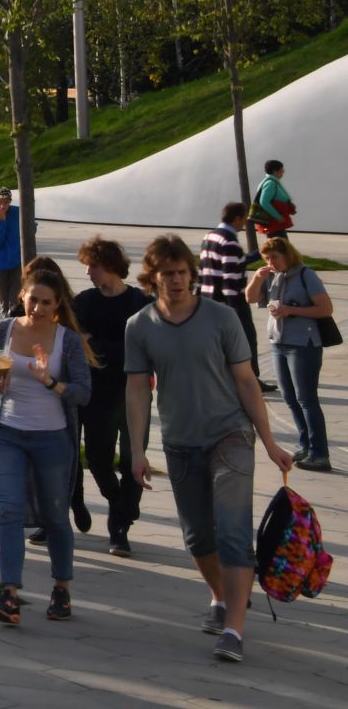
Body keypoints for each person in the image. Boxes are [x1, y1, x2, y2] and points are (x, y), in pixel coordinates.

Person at [124, 234, 293, 663]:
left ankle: (234, 629)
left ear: (192, 274)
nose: (177, 280)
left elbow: (246, 381)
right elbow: (138, 389)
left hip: (231, 436)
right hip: (180, 443)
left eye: (182, 272)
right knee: (198, 536)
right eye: (168, 274)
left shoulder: (220, 318)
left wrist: (270, 442)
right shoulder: (140, 326)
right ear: (153, 278)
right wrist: (138, 451)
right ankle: (220, 596)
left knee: (234, 533)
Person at [0, 270, 95, 626]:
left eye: (47, 302)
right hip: (7, 433)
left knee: (56, 515)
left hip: (52, 438)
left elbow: (83, 393)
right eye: (33, 299)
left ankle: (61, 586)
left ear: (58, 305)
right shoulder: (3, 330)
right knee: (9, 510)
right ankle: (9, 593)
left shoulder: (66, 341)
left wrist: (51, 383)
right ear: (22, 297)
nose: (38, 307)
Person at [71, 236, 148, 556]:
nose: (88, 272)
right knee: (99, 460)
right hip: (97, 395)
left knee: (133, 461)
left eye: (94, 266)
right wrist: (103, 349)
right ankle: (120, 505)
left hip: (133, 393)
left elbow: (142, 350)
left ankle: (119, 528)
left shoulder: (139, 303)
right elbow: (78, 345)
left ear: (113, 267)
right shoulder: (85, 302)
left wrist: (99, 347)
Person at [246, 236, 332, 473]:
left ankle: (320, 453)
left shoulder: (306, 275)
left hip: (303, 343)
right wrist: (256, 278)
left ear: (287, 255)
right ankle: (306, 445)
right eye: (266, 258)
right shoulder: (271, 276)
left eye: (274, 257)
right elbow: (250, 298)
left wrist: (291, 310)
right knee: (289, 397)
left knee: (306, 398)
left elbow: (326, 308)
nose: (270, 262)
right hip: (279, 342)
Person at [200, 202, 263, 385]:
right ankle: (251, 379)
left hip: (208, 297)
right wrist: (235, 309)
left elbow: (205, 268)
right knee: (246, 339)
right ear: (237, 219)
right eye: (244, 219)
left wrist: (256, 255)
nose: (244, 223)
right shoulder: (230, 241)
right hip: (229, 301)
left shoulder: (210, 236)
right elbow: (230, 277)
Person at [252, 159, 296, 237]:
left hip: (276, 225)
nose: (283, 172)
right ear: (275, 171)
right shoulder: (270, 183)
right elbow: (264, 202)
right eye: (282, 170)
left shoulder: (271, 182)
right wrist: (278, 217)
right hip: (274, 224)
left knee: (281, 246)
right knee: (279, 247)